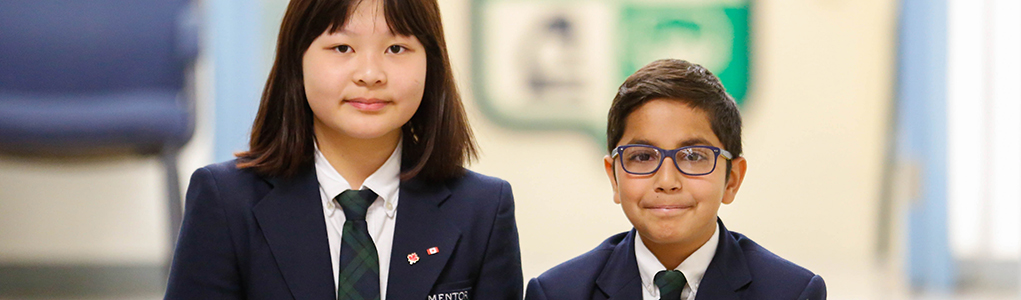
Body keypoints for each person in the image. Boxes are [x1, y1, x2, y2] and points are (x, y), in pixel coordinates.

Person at [165, 0, 522, 299]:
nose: (370, 74)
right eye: (342, 48)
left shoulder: (484, 209)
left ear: (433, 64)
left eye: (396, 48)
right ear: (297, 60)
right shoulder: (225, 202)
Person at [524, 59, 825, 300]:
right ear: (614, 178)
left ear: (732, 179)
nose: (667, 181)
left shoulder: (791, 292)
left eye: (693, 156)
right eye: (642, 157)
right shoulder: (559, 292)